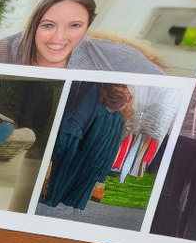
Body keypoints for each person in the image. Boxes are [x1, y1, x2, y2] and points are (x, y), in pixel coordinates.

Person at [0, 0, 165, 87]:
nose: (59, 37)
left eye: (75, 26)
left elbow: (168, 90)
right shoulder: (4, 50)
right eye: (48, 25)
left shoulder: (118, 56)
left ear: (87, 27)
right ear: (33, 25)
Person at [43, 82, 133, 210]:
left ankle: (59, 197)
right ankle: (67, 198)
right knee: (76, 162)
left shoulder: (110, 113)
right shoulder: (110, 112)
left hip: (86, 126)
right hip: (87, 126)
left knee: (72, 163)